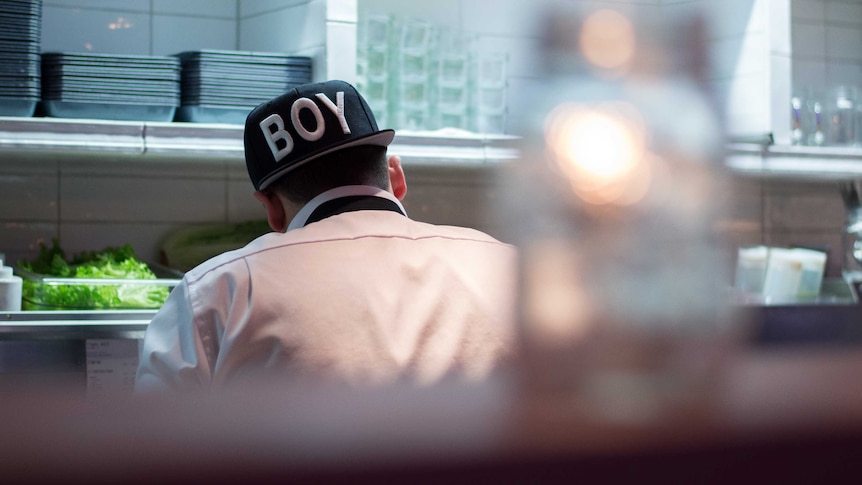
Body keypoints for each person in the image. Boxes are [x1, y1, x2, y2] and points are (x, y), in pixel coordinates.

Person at [135, 79, 518, 392]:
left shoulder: (216, 293)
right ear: (396, 177)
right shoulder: (510, 267)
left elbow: (152, 454)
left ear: (271, 208)